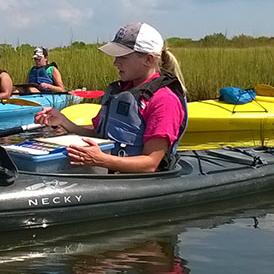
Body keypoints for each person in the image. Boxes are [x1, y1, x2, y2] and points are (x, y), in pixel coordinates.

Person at [35, 22, 187, 173]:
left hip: (139, 182)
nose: (116, 63)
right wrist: (62, 121)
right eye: (116, 57)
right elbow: (98, 134)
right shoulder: (119, 91)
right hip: (109, 173)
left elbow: (150, 163)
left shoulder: (164, 100)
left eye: (123, 57)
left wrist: (101, 160)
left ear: (148, 59)